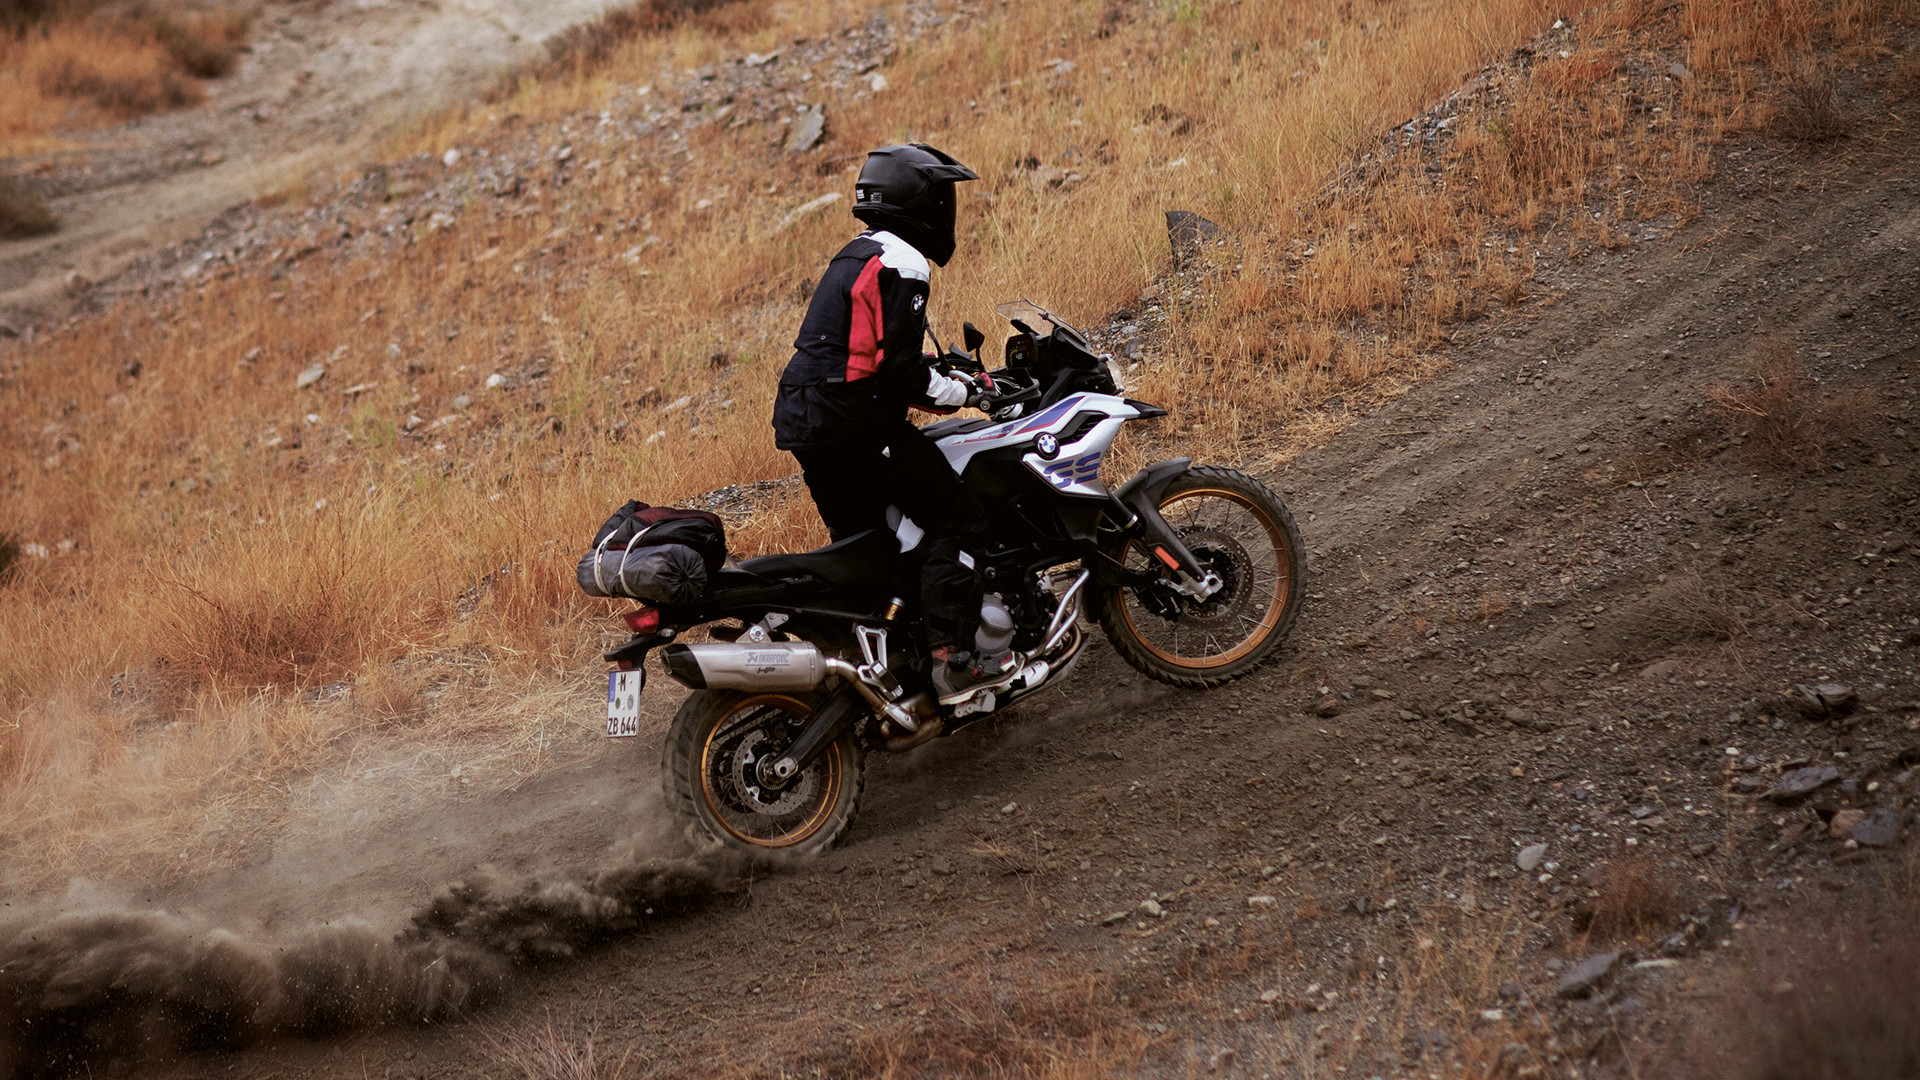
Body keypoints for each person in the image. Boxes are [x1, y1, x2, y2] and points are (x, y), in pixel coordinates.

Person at [770, 143, 1003, 704]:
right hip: (854, 423)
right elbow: (896, 373)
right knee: (961, 521)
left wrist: (936, 372)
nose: (948, 209)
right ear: (918, 199)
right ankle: (955, 664)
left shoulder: (857, 252)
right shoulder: (905, 260)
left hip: (809, 418)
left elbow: (862, 352)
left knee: (868, 548)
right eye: (942, 196)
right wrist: (965, 393)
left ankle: (873, 663)